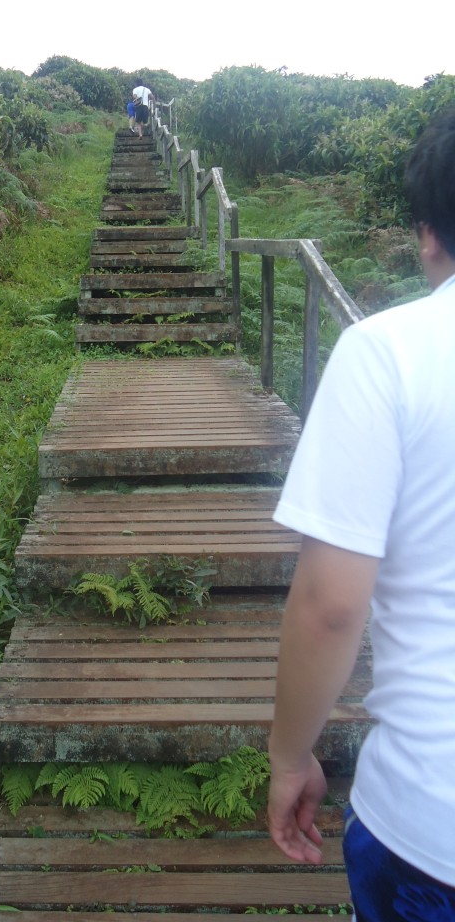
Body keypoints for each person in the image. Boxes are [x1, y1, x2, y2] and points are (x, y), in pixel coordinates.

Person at [267, 108, 455, 920]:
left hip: (432, 818)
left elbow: (332, 604)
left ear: (427, 235)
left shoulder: (390, 352)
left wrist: (289, 756)